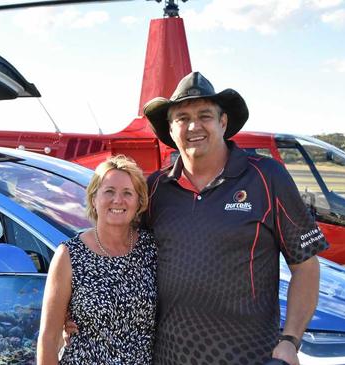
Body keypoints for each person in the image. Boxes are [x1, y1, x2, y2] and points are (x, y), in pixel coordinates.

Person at [141, 71, 329, 365]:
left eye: (205, 115)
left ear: (223, 122)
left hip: (249, 356)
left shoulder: (267, 177)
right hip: (169, 356)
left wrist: (291, 340)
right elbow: (120, 256)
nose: (194, 126)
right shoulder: (155, 188)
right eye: (182, 118)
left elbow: (306, 266)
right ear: (170, 127)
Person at [37, 155, 157, 365]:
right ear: (94, 198)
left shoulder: (152, 248)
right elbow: (48, 339)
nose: (118, 200)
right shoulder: (69, 255)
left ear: (139, 202)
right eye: (109, 191)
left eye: (127, 193)